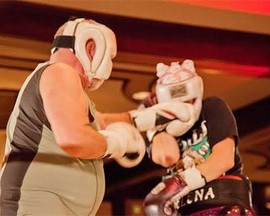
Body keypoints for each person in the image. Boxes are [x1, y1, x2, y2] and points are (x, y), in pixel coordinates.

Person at [0, 18, 198, 216]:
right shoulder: (59, 72)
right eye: (110, 56)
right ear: (91, 46)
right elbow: (74, 138)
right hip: (34, 206)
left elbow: (99, 122)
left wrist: (144, 117)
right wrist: (118, 142)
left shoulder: (59, 81)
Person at [142, 60, 255, 216]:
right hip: (187, 208)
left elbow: (223, 159)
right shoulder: (162, 129)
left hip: (223, 202)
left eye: (185, 98)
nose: (182, 105)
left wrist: (180, 182)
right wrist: (157, 126)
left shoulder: (212, 107)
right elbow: (167, 157)